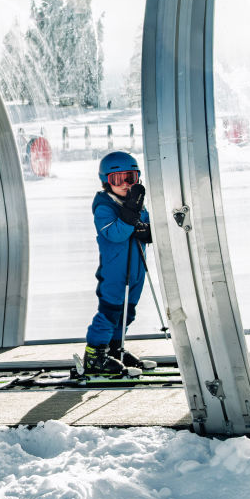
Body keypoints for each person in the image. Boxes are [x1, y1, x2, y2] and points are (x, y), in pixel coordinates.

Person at [84, 151, 155, 376]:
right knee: (110, 312)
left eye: (130, 178)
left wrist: (147, 231)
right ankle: (95, 355)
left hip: (136, 270)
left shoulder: (137, 204)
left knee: (127, 312)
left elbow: (145, 225)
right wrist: (131, 212)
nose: (125, 184)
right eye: (117, 180)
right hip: (114, 272)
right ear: (106, 182)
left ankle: (115, 348)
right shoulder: (104, 207)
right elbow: (114, 234)